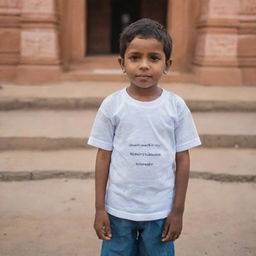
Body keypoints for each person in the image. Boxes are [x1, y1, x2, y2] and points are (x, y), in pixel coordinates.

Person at [88, 18, 201, 256]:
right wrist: (100, 208)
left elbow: (183, 159)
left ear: (167, 64)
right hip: (118, 209)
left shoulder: (176, 106)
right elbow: (103, 157)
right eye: (135, 57)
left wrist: (177, 211)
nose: (144, 66)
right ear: (122, 63)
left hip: (160, 210)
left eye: (154, 58)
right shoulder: (112, 105)